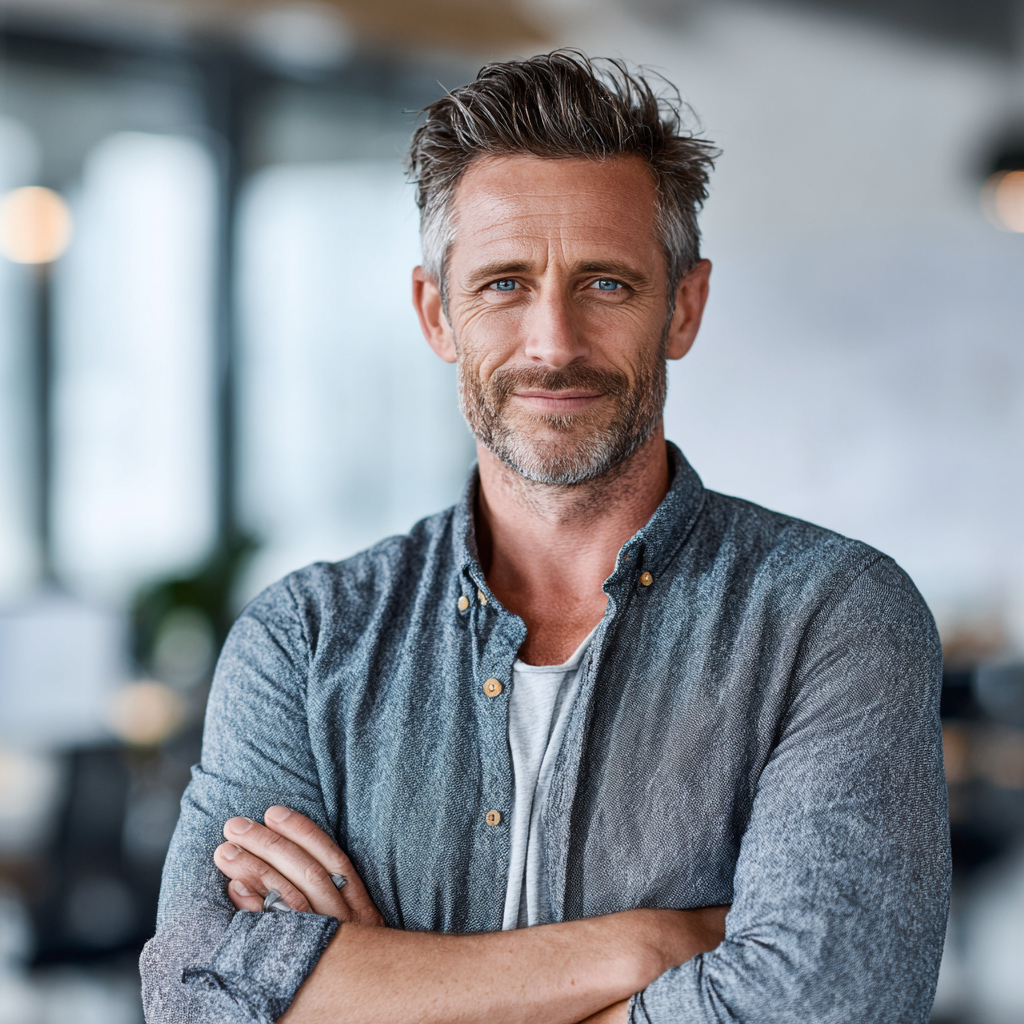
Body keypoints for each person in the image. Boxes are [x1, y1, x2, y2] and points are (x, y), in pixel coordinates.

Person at [141, 51, 950, 1024]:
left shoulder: (831, 617)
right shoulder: (304, 642)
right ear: (437, 312)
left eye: (604, 284)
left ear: (682, 307)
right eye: (504, 283)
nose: (553, 342)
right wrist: (651, 943)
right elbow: (191, 992)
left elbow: (825, 1002)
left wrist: (366, 986)